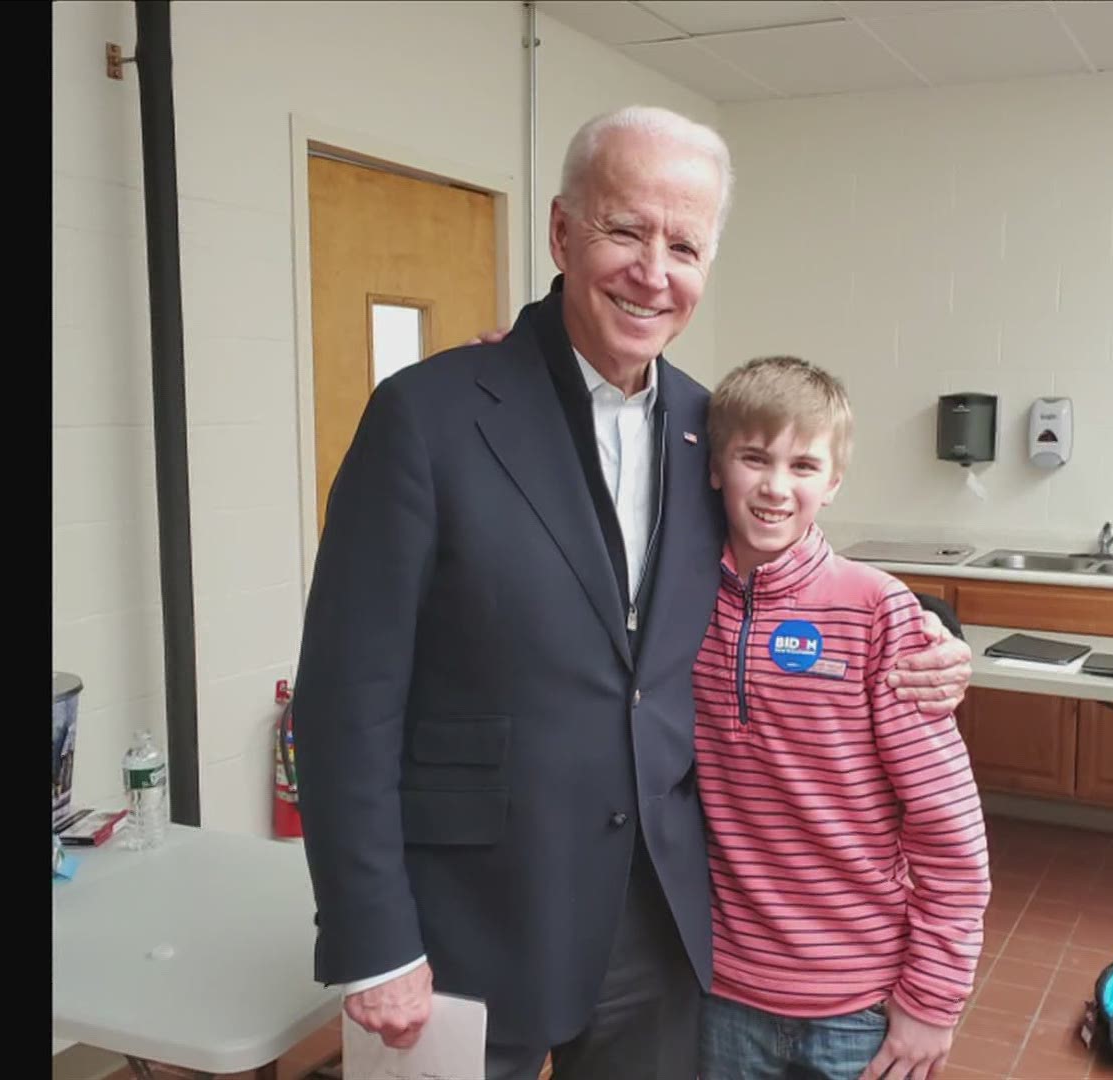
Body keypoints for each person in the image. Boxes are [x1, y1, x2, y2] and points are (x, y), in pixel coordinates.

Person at [290, 105, 976, 1080]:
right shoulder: (427, 416)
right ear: (564, 233)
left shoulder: (712, 431)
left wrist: (932, 634)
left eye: (684, 245)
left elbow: (788, 570)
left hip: (653, 928)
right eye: (625, 230)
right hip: (463, 925)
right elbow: (343, 697)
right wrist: (375, 938)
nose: (654, 271)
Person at [692, 355, 990, 1080]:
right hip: (720, 995)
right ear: (714, 468)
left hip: (858, 1007)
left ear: (833, 482)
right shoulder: (676, 603)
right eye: (754, 458)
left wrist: (934, 999)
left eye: (803, 465)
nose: (774, 486)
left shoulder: (877, 612)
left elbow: (949, 834)